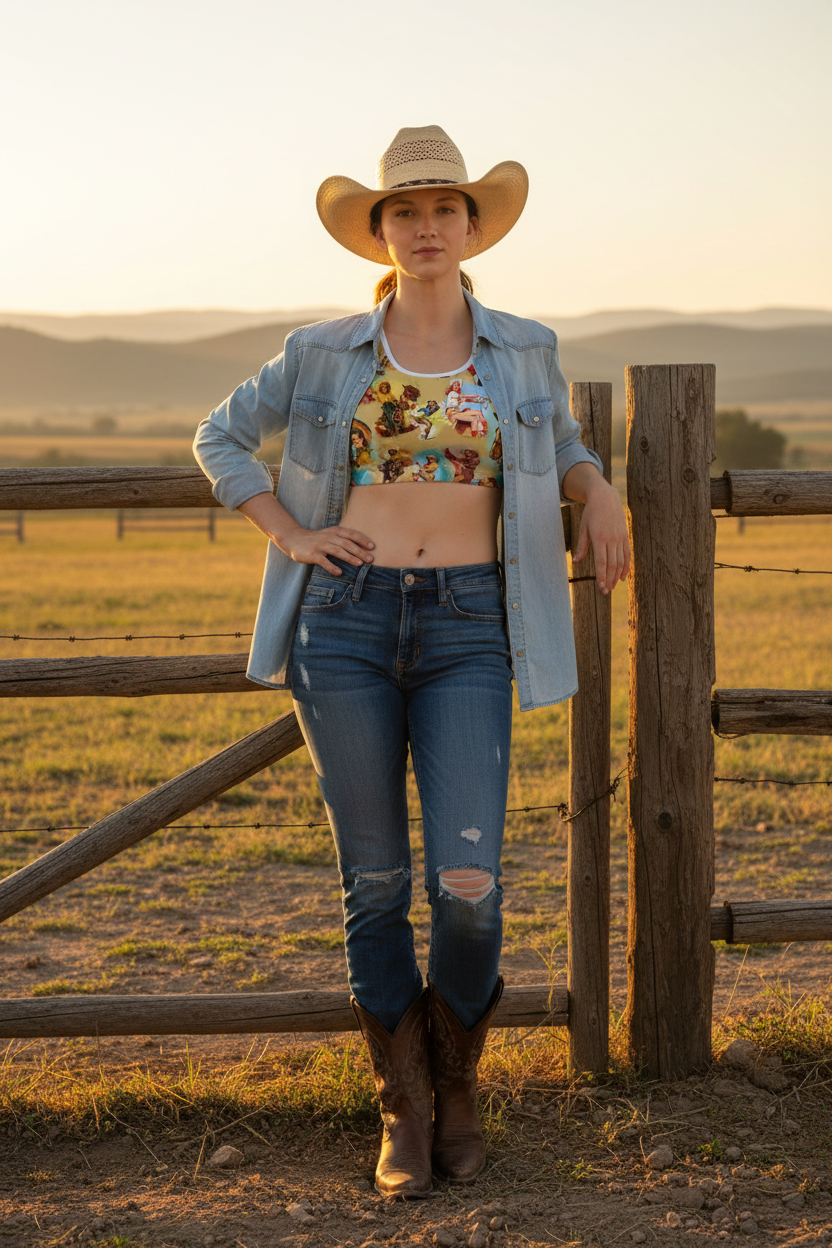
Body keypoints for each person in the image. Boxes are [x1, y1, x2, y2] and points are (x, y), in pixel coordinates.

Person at [193, 125, 630, 1199]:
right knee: (377, 883)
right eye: (405, 212)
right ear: (376, 232)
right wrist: (293, 536)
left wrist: (597, 487)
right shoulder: (319, 351)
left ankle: (460, 1088)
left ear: (473, 226)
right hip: (342, 621)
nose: (426, 227)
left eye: (446, 210)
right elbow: (217, 437)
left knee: (469, 884)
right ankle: (401, 1109)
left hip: (473, 625)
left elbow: (558, 446)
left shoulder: (524, 348)